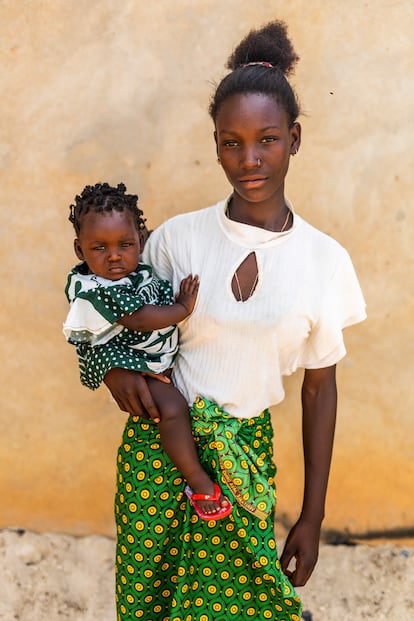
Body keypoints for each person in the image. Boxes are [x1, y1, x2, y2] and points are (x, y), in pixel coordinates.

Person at [103, 21, 366, 621]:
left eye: (267, 140)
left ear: (294, 139)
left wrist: (313, 514)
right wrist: (112, 370)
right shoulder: (176, 240)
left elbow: (319, 388)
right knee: (150, 605)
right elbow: (109, 310)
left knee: (251, 606)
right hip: (158, 456)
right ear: (216, 143)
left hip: (242, 455)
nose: (249, 160)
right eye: (231, 142)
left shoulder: (324, 262)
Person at [63, 182, 232, 520]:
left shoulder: (131, 265)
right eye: (99, 248)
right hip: (131, 361)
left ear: (139, 240)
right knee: (170, 408)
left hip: (150, 356)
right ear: (80, 250)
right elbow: (140, 320)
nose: (114, 256)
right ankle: (197, 480)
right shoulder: (98, 287)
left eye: (125, 244)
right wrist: (183, 308)